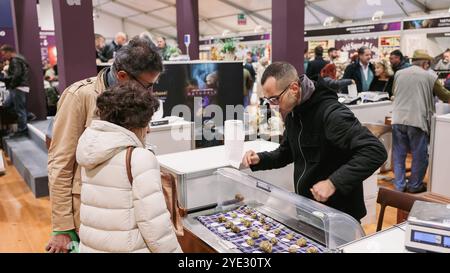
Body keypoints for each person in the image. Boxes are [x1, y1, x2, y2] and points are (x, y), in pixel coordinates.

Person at [45, 36, 163, 253]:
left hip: (126, 214)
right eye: (147, 86)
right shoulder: (79, 97)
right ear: (122, 76)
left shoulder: (137, 98)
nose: (150, 92)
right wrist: (62, 227)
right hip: (89, 213)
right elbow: (59, 164)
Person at [242, 62, 387, 221]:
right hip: (309, 211)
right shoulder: (293, 113)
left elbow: (375, 151)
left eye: (275, 99)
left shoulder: (332, 114)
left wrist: (333, 183)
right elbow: (287, 153)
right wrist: (260, 159)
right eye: (268, 100)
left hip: (339, 217)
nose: (272, 106)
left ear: (294, 89)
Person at [76, 81, 182, 253]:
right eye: (146, 123)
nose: (148, 130)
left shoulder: (90, 149)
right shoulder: (139, 158)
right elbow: (154, 224)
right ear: (134, 124)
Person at [392, 50, 450, 193]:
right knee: (420, 156)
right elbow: (445, 96)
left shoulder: (399, 73)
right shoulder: (430, 76)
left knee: (399, 155)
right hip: (417, 120)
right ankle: (414, 186)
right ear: (425, 63)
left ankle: (399, 186)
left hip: (397, 118)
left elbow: (395, 92)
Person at [0, 44, 30, 136]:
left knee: (19, 109)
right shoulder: (17, 59)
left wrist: (11, 84)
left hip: (18, 87)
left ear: (9, 52)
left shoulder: (15, 60)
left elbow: (17, 74)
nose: (3, 56)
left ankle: (22, 129)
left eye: (4, 54)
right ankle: (28, 115)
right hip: (17, 86)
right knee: (7, 105)